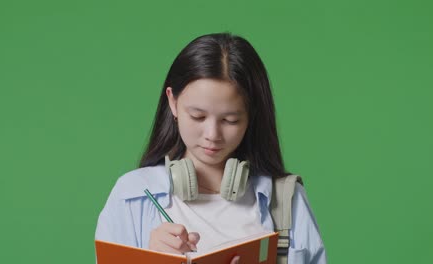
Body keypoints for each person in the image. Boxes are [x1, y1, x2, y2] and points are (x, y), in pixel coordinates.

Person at [95, 32, 327, 264]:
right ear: (173, 102)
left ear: (251, 115)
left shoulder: (287, 199)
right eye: (198, 116)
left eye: (230, 120)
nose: (212, 135)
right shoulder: (131, 196)